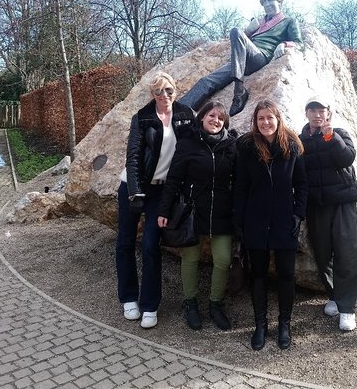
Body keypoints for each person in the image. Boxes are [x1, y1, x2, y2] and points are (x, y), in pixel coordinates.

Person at [118, 72, 195, 329]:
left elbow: (194, 148)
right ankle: (129, 297)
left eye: (169, 90)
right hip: (134, 186)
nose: (165, 96)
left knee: (151, 243)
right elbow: (134, 157)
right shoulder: (142, 118)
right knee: (126, 242)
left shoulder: (185, 115)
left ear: (176, 90)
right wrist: (135, 192)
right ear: (152, 94)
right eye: (159, 92)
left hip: (161, 191)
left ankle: (150, 304)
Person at [234, 100, 308, 350]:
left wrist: (298, 215)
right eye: (260, 118)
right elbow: (240, 187)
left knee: (286, 275)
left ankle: (284, 324)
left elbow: (302, 184)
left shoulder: (292, 146)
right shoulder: (246, 147)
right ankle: (260, 325)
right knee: (258, 276)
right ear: (255, 122)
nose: (266, 123)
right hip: (255, 221)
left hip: (284, 221)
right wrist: (240, 220)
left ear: (278, 119)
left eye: (270, 118)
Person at [157, 101, 237, 331]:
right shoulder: (188, 143)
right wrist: (164, 210)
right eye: (212, 116)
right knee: (190, 259)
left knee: (223, 260)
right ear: (202, 117)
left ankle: (215, 304)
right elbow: (173, 180)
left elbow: (239, 181)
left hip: (222, 213)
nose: (216, 121)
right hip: (193, 212)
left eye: (221, 118)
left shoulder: (231, 145)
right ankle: (190, 303)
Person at [179, 0, 302, 117]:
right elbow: (240, 43)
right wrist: (249, 31)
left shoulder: (289, 21)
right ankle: (177, 111)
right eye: (264, 1)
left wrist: (284, 44)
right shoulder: (259, 23)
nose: (267, 4)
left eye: (270, 0)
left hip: (260, 57)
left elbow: (299, 42)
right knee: (206, 81)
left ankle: (239, 92)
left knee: (236, 31)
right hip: (241, 61)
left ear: (279, 0)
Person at [299, 96, 357, 332]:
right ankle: (335, 296)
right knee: (323, 254)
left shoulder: (339, 133)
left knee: (347, 252)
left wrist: (330, 135)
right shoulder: (300, 139)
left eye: (321, 110)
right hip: (317, 205)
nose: (317, 115)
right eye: (312, 110)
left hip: (343, 202)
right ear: (306, 113)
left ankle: (348, 308)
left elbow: (347, 158)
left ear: (329, 113)